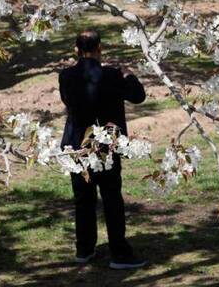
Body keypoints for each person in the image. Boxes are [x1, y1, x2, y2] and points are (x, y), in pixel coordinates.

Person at [59, 30, 147, 269]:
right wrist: (128, 74)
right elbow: (138, 96)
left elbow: (68, 101)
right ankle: (119, 252)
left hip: (76, 144)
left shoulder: (66, 76)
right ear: (100, 48)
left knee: (83, 199)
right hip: (106, 144)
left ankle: (84, 249)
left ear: (76, 50)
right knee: (111, 198)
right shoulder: (112, 75)